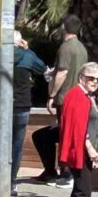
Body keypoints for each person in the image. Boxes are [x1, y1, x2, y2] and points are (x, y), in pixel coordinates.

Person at [0, 29, 47, 196]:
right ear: (20, 42)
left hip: (1, 107)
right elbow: (42, 68)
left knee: (1, 145)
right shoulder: (27, 57)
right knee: (17, 146)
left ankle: (2, 179)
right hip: (22, 106)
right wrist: (28, 49)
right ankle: (12, 181)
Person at [32, 14, 88, 187]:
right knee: (62, 135)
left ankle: (67, 174)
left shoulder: (65, 47)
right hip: (78, 98)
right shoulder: (81, 48)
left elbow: (63, 72)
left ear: (64, 27)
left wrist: (52, 95)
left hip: (66, 99)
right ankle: (56, 172)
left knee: (66, 136)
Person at [59, 62, 98, 197]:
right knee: (83, 191)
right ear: (81, 77)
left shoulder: (83, 95)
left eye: (97, 79)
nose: (94, 82)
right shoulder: (77, 95)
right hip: (81, 151)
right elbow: (78, 128)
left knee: (81, 190)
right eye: (91, 78)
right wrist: (91, 150)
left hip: (83, 150)